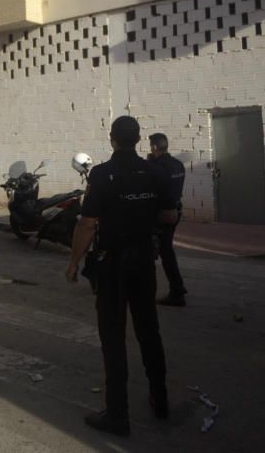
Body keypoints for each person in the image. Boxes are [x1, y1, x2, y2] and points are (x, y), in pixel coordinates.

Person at [66, 116, 178, 435]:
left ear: (112, 138)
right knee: (149, 332)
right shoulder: (156, 172)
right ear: (139, 139)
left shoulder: (102, 174)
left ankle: (117, 415)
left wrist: (73, 262)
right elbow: (170, 214)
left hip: (113, 264)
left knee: (113, 338)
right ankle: (161, 399)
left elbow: (87, 224)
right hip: (144, 261)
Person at [148, 133, 187, 306]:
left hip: (161, 215)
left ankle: (176, 291)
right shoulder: (178, 164)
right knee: (167, 251)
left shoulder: (157, 167)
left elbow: (156, 189)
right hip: (175, 211)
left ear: (154, 147)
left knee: (152, 253)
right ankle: (177, 288)